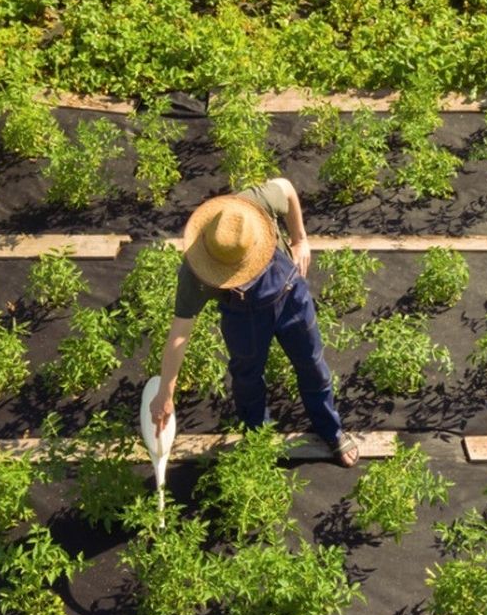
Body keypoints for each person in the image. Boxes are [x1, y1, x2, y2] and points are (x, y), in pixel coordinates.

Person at [148, 178, 359, 467]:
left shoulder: (253, 207)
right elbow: (179, 334)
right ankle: (258, 438)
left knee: (312, 364)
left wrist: (300, 239)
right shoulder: (196, 272)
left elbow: (286, 186)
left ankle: (330, 429)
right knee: (247, 378)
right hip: (243, 318)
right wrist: (165, 393)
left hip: (290, 298)